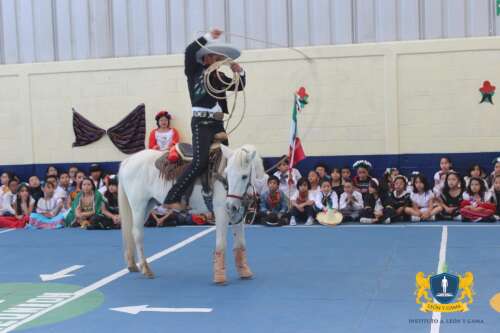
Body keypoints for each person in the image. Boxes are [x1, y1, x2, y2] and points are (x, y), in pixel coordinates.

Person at [163, 27, 245, 211]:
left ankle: (223, 195)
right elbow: (189, 51)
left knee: (226, 159)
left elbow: (240, 86)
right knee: (199, 162)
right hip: (201, 124)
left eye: (217, 58)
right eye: (213, 56)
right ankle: (172, 197)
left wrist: (239, 71)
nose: (216, 59)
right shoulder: (194, 72)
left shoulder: (219, 77)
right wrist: (208, 37)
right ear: (204, 58)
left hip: (217, 124)